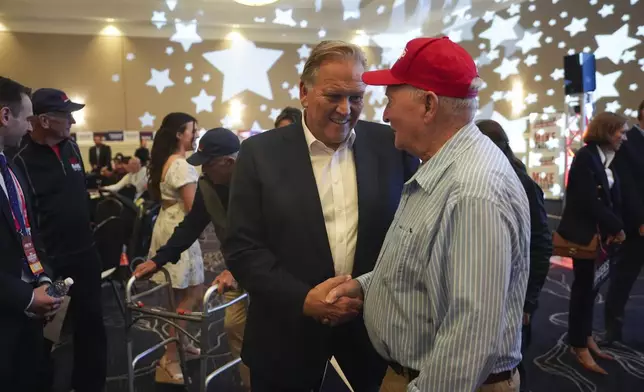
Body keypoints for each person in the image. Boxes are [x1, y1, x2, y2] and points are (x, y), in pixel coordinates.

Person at [326, 37, 530, 392]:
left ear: (429, 105)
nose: (386, 114)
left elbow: (471, 333)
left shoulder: (473, 190)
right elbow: (421, 266)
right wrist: (365, 286)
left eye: (391, 100)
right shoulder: (442, 168)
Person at [224, 40, 418, 391]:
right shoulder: (259, 154)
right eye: (334, 96)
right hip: (285, 338)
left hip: (371, 339)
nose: (346, 109)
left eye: (356, 97)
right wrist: (303, 299)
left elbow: (410, 230)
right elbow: (242, 248)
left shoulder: (391, 145)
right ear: (304, 92)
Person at [133, 127, 250, 390]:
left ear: (229, 162)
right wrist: (159, 260)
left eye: (207, 165)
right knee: (234, 327)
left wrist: (238, 269)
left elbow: (271, 232)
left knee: (273, 333)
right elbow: (192, 224)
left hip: (267, 268)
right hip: (236, 268)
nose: (202, 171)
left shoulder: (258, 181)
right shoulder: (209, 184)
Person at [11, 87, 107, 392]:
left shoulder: (72, 148)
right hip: (50, 263)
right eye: (66, 116)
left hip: (85, 256)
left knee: (92, 328)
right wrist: (40, 269)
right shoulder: (20, 159)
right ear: (43, 120)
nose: (72, 122)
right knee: (46, 337)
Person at [477, 119, 552, 392]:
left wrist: (528, 302)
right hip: (490, 297)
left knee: (510, 366)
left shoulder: (521, 184)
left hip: (515, 299)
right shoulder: (483, 180)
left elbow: (541, 246)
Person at [0, 76, 62, 392]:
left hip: (29, 312)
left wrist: (43, 280)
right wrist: (25, 296)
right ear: (5, 116)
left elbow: (29, 231)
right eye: (26, 119)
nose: (29, 127)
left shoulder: (12, 168)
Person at [557, 112, 627, 374]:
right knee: (582, 291)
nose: (624, 136)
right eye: (621, 131)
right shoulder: (586, 156)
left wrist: (615, 227)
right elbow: (587, 200)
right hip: (584, 236)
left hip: (601, 237)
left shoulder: (606, 157)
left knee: (591, 289)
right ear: (607, 131)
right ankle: (578, 344)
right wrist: (616, 226)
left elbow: (610, 199)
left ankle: (585, 337)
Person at [146, 112, 204, 383]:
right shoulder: (181, 165)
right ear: (180, 134)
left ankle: (180, 344)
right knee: (188, 295)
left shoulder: (169, 161)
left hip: (168, 225)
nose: (196, 134)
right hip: (179, 231)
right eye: (193, 130)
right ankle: (169, 356)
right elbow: (194, 209)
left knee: (183, 294)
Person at [605, 99, 644, 343]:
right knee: (624, 278)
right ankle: (612, 328)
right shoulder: (629, 142)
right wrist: (640, 220)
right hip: (637, 226)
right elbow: (627, 187)